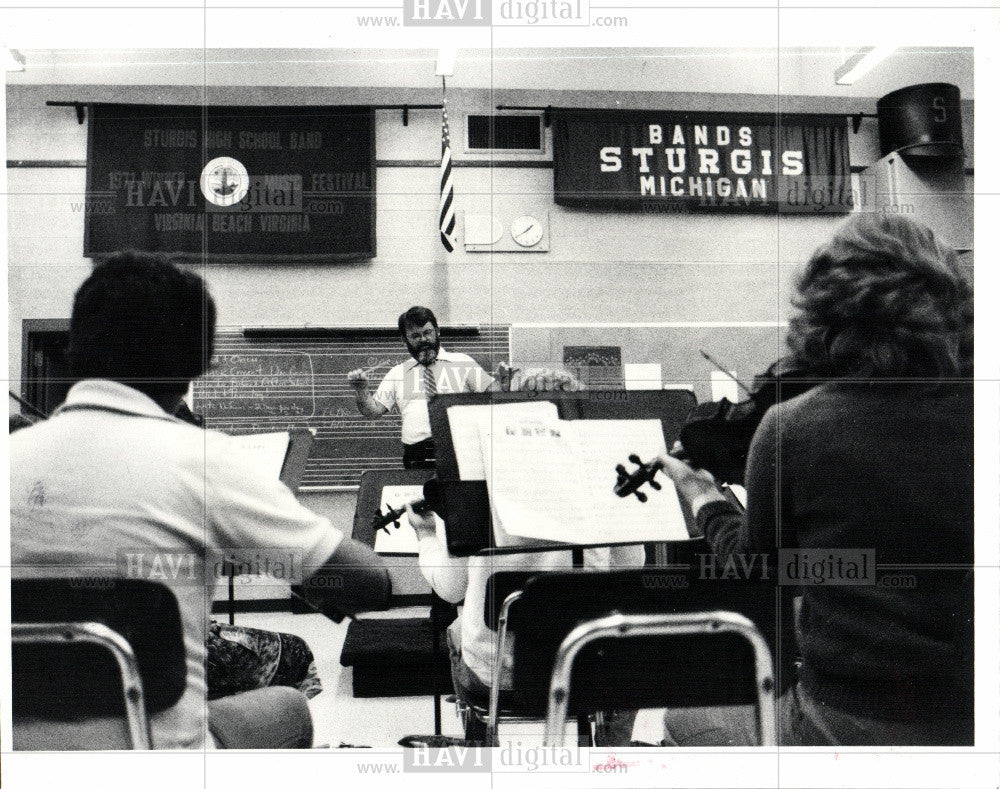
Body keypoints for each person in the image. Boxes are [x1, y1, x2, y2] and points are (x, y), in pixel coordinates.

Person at [10, 251, 390, 749]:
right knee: (288, 707)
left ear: (76, 347)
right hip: (159, 761)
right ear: (199, 364)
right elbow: (370, 585)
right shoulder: (205, 462)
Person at [655, 214, 974, 746]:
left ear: (825, 310)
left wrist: (703, 495)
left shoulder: (795, 427)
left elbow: (765, 568)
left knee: (684, 721)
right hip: (976, 717)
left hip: (847, 720)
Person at [404, 372, 645, 744]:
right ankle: (609, 756)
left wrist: (424, 536)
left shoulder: (472, 493)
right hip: (584, 669)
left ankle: (484, 747)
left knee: (456, 628)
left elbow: (451, 590)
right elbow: (631, 569)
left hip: (498, 677)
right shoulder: (607, 489)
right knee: (628, 658)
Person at [347, 306, 496, 468]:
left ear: (437, 331)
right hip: (417, 456)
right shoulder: (398, 373)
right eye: (415, 336)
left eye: (427, 333)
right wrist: (361, 390)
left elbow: (494, 396)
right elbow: (372, 412)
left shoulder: (463, 362)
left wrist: (504, 382)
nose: (423, 340)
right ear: (404, 340)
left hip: (461, 451)